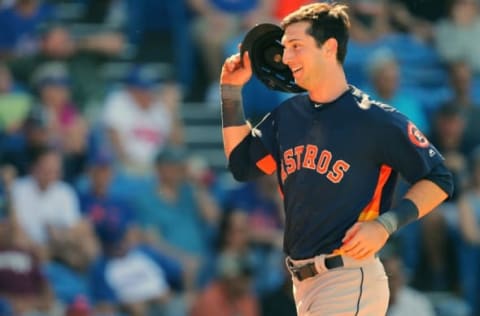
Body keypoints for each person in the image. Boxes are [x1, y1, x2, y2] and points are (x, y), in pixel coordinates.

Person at [219, 2, 454, 315]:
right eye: (285, 48)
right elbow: (242, 163)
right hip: (304, 284)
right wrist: (231, 93)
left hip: (348, 277)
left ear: (329, 48)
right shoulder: (288, 114)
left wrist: (386, 224)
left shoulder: (376, 120)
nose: (286, 57)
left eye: (296, 46)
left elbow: (439, 177)